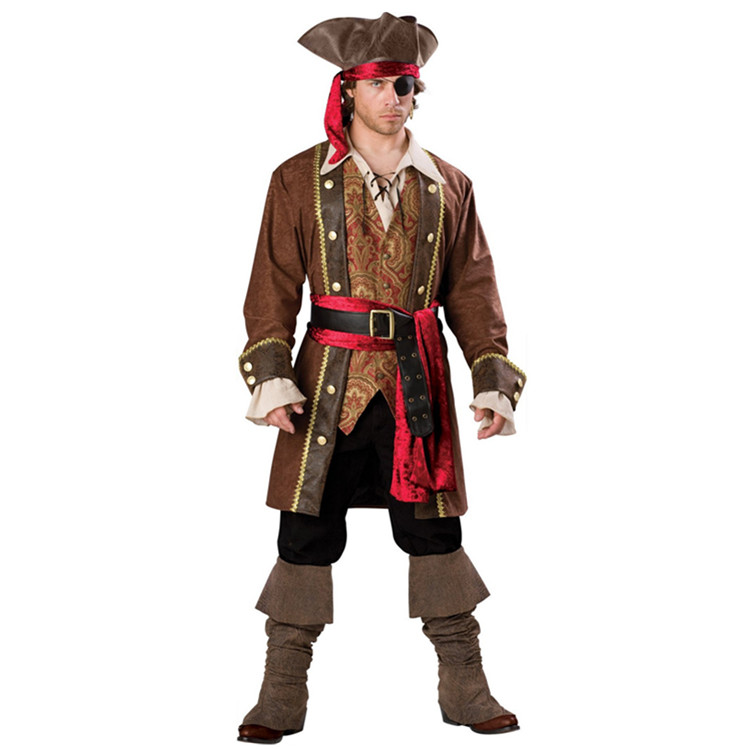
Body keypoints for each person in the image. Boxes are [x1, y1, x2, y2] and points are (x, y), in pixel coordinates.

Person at [236, 13, 526, 744]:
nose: (397, 98)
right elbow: (272, 287)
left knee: (435, 533)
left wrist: (491, 377)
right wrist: (272, 378)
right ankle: (281, 693)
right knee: (304, 534)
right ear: (348, 91)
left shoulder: (449, 184)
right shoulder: (297, 179)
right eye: (381, 85)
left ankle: (464, 686)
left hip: (414, 383)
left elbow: (473, 290)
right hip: (325, 386)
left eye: (407, 85)